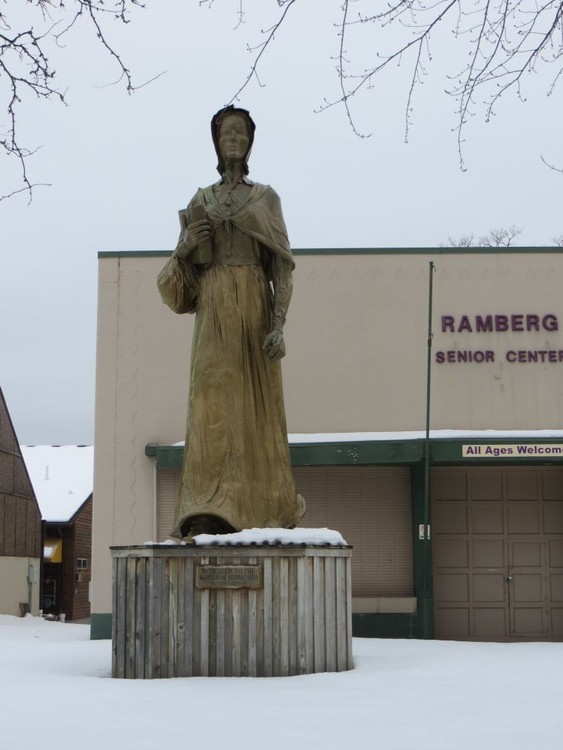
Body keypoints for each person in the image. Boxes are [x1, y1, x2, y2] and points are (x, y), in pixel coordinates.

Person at [157, 106, 305, 540]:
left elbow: (282, 266)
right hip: (214, 312)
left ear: (250, 141)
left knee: (254, 410)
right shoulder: (200, 200)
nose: (234, 138)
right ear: (217, 142)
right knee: (209, 406)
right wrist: (185, 247)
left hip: (255, 312)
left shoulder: (266, 198)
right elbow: (180, 287)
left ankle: (264, 507)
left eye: (241, 132)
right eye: (227, 132)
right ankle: (205, 508)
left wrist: (278, 324)